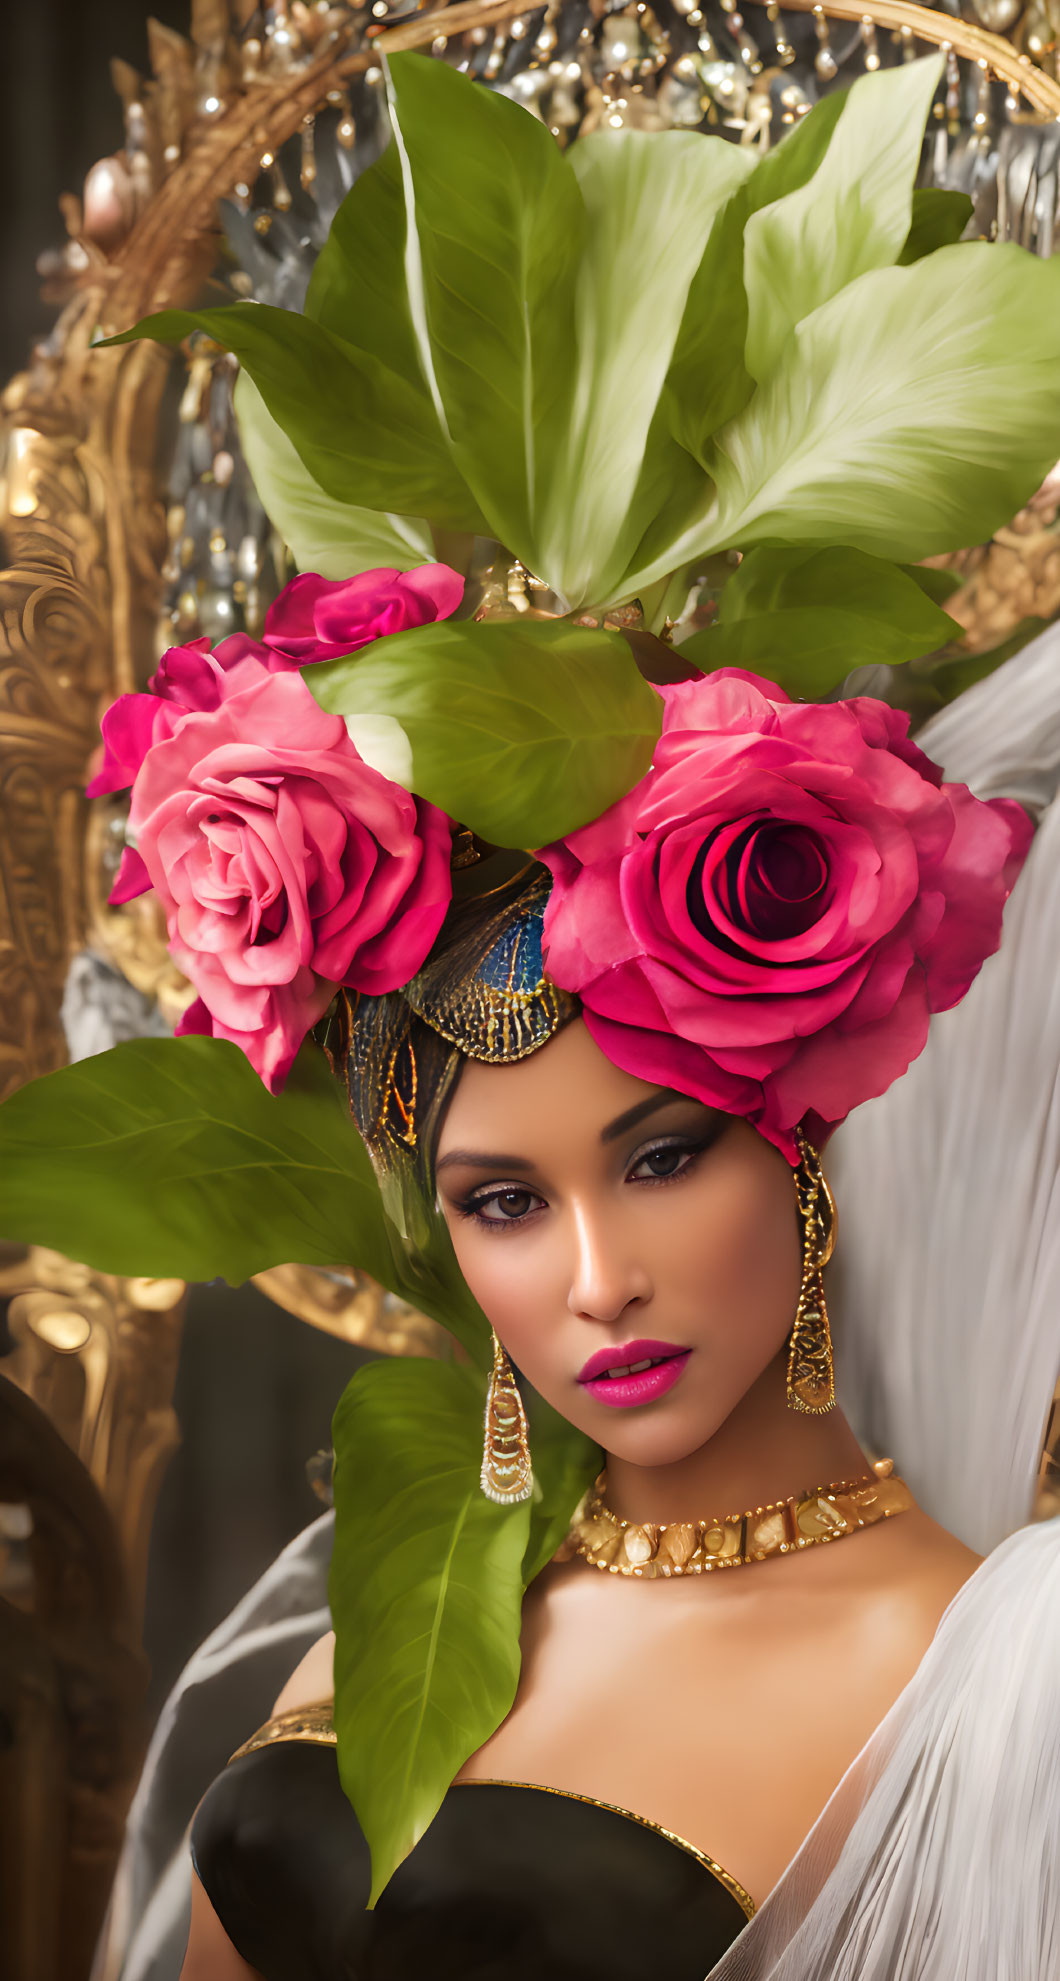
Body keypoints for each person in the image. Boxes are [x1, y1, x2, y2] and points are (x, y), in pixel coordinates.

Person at [4, 43, 1060, 1981]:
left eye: (659, 1158)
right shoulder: (394, 1623)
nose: (598, 1277)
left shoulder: (984, 1682)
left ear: (802, 1135)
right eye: (501, 1197)